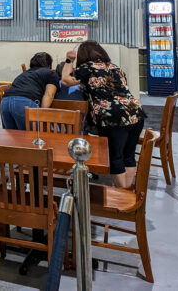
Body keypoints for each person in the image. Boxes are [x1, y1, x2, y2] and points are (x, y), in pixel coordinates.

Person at [61, 40, 145, 189]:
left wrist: (69, 60)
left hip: (112, 117)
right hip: (136, 113)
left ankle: (122, 193)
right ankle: (127, 190)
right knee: (128, 155)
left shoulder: (87, 68)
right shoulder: (116, 68)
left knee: (115, 157)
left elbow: (66, 80)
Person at [0, 52, 59, 130]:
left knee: (14, 138)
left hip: (5, 102)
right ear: (49, 65)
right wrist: (42, 117)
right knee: (31, 138)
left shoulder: (25, 73)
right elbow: (49, 95)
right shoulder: (51, 73)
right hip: (24, 102)